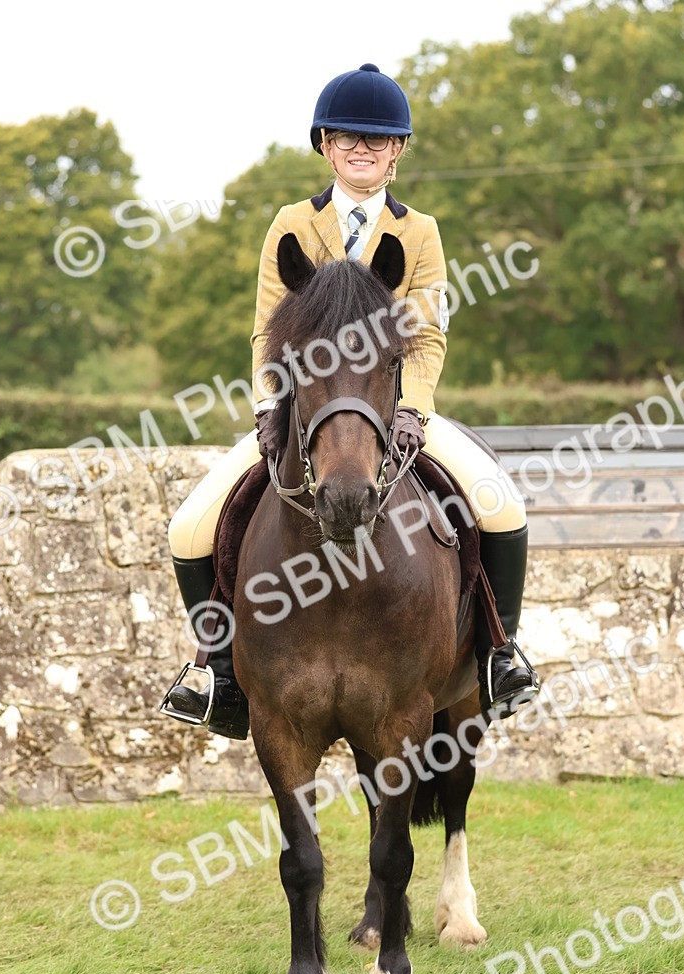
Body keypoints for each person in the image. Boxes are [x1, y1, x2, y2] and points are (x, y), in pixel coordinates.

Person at [164, 63, 540, 740]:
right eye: (347, 137)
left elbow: (425, 337)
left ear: (397, 150)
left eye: (377, 139)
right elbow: (266, 328)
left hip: (392, 409)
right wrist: (269, 408)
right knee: (191, 527)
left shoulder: (419, 232)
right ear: (325, 146)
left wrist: (411, 412)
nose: (361, 148)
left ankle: (499, 658)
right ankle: (215, 673)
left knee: (501, 506)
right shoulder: (290, 223)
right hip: (301, 414)